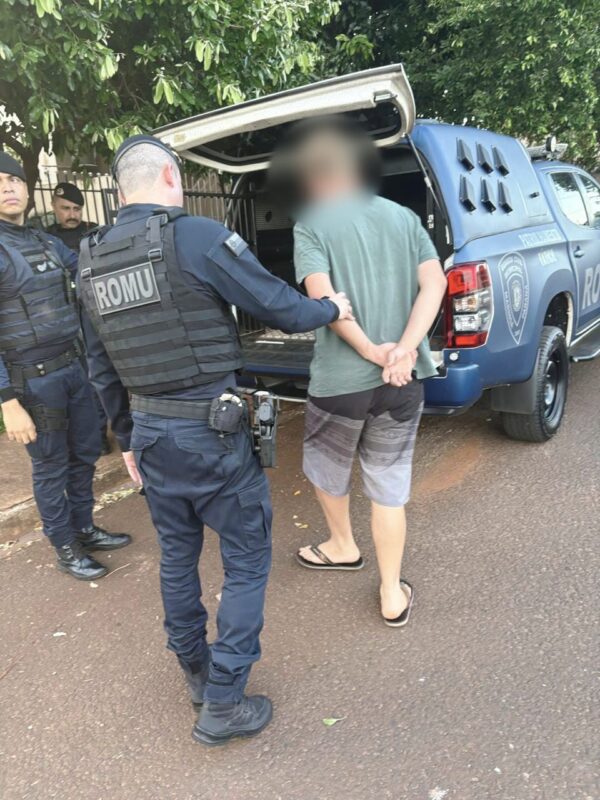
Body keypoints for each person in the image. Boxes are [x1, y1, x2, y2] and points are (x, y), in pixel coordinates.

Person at [77, 134, 354, 746]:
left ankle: (198, 677)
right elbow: (280, 307)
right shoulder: (196, 237)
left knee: (177, 557)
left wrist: (128, 438)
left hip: (151, 433)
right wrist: (332, 308)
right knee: (247, 558)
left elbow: (100, 364)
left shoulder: (90, 258)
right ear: (170, 178)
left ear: (121, 190)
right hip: (211, 432)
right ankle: (225, 701)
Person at [271, 117, 447, 626]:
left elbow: (323, 300)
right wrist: (404, 351)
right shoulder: (403, 218)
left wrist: (372, 350)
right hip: (401, 381)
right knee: (388, 485)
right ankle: (392, 592)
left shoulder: (311, 224)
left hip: (340, 383)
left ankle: (342, 545)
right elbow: (435, 285)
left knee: (328, 467)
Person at [0, 151, 131, 581]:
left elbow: (90, 272)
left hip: (75, 371)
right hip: (33, 383)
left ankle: (84, 527)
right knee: (50, 466)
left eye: (14, 181)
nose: (8, 188)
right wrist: (7, 403)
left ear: (26, 189)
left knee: (85, 454)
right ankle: (64, 546)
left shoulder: (46, 242)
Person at [45, 182, 110, 455]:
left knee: (97, 375)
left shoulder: (94, 233)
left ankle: (100, 435)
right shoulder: (45, 238)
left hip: (92, 315)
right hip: (62, 319)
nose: (72, 215)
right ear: (54, 207)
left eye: (76, 209)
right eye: (65, 208)